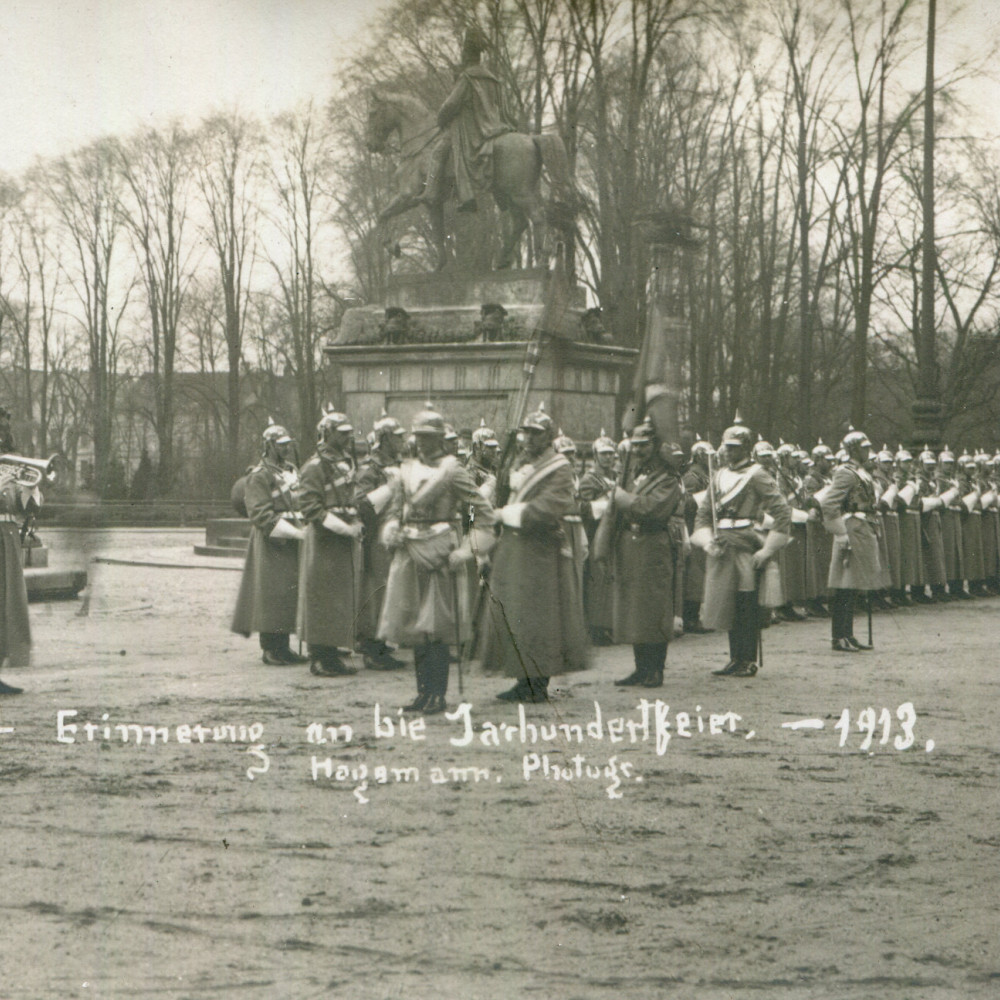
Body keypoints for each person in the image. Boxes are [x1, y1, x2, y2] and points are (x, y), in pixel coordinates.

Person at [378, 404, 495, 714]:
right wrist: (392, 529)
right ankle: (422, 693)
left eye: (430, 437)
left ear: (442, 439)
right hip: (408, 549)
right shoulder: (404, 470)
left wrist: (466, 550)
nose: (423, 442)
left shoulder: (453, 470)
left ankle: (438, 694)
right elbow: (395, 509)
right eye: (419, 436)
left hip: (441, 551)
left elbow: (482, 514)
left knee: (437, 627)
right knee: (415, 625)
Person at [480, 403, 589, 702]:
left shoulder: (560, 467)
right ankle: (521, 678)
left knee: (539, 617)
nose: (529, 439)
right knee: (515, 613)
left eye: (536, 434)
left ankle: (537, 682)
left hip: (541, 550)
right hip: (514, 547)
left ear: (549, 437)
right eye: (526, 433)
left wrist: (506, 513)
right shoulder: (518, 464)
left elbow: (548, 508)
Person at [691, 417, 791, 678]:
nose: (728, 451)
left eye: (734, 447)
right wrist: (707, 540)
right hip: (723, 543)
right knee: (729, 602)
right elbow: (704, 513)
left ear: (746, 449)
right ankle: (735, 657)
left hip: (746, 542)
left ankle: (747, 659)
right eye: (726, 447)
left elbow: (781, 511)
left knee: (747, 601)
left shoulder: (757, 474)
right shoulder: (719, 475)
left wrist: (768, 549)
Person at [605, 419, 685, 688]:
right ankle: (640, 668)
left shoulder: (668, 477)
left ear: (656, 446)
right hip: (630, 542)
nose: (639, 450)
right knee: (635, 609)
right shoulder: (631, 473)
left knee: (654, 608)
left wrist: (625, 500)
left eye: (644, 445)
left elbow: (654, 509)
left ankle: (656, 669)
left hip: (654, 543)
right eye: (635, 445)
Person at [231, 421, 308, 666]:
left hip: (293, 537)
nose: (285, 449)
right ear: (269, 446)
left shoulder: (291, 470)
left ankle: (284, 647)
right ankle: (270, 649)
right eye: (280, 445)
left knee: (288, 593)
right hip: (272, 541)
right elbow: (260, 513)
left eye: (287, 445)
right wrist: (295, 533)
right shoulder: (259, 475)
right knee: (272, 594)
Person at [297, 409, 364, 677]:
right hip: (324, 538)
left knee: (339, 598)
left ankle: (332, 653)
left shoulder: (345, 463)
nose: (347, 438)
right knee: (321, 597)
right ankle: (319, 657)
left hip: (343, 537)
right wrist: (343, 528)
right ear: (327, 434)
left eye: (348, 433)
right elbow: (310, 507)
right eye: (341, 433)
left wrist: (355, 522)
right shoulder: (315, 466)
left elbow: (352, 498)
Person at [423, 26, 514, 213]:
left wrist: (441, 119)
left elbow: (450, 105)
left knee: (438, 152)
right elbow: (503, 108)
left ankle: (438, 194)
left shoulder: (467, 78)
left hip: (471, 131)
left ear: (467, 57)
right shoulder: (493, 80)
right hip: (496, 127)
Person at [820, 429, 882, 652]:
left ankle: (848, 633)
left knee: (853, 583)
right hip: (851, 529)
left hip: (863, 528)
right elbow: (829, 503)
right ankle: (839, 636)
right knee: (844, 584)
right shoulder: (846, 472)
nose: (868, 451)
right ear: (854, 449)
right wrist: (840, 532)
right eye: (864, 447)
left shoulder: (861, 471)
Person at [355, 411, 407, 671]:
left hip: (397, 535)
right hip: (377, 538)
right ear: (385, 438)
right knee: (377, 593)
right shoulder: (371, 467)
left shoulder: (399, 464)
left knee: (392, 592)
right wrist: (390, 487)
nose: (402, 441)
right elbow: (361, 504)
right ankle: (372, 649)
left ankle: (385, 645)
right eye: (397, 437)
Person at [0, 408, 35, 695]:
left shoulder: (11, 465)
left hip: (8, 539)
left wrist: (31, 489)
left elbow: (25, 507)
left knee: (8, 606)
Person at [578, 429, 617, 644]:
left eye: (611, 454)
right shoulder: (588, 480)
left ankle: (610, 623)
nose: (608, 458)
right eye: (604, 454)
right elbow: (583, 508)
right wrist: (605, 506)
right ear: (595, 456)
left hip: (613, 534)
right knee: (597, 581)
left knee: (610, 580)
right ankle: (597, 627)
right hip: (595, 533)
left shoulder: (617, 478)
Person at [681, 436, 713, 634]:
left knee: (701, 572)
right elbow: (687, 503)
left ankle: (696, 614)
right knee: (694, 573)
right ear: (699, 457)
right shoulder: (692, 477)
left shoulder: (707, 475)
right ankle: (690, 616)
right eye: (707, 456)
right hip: (693, 526)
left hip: (704, 526)